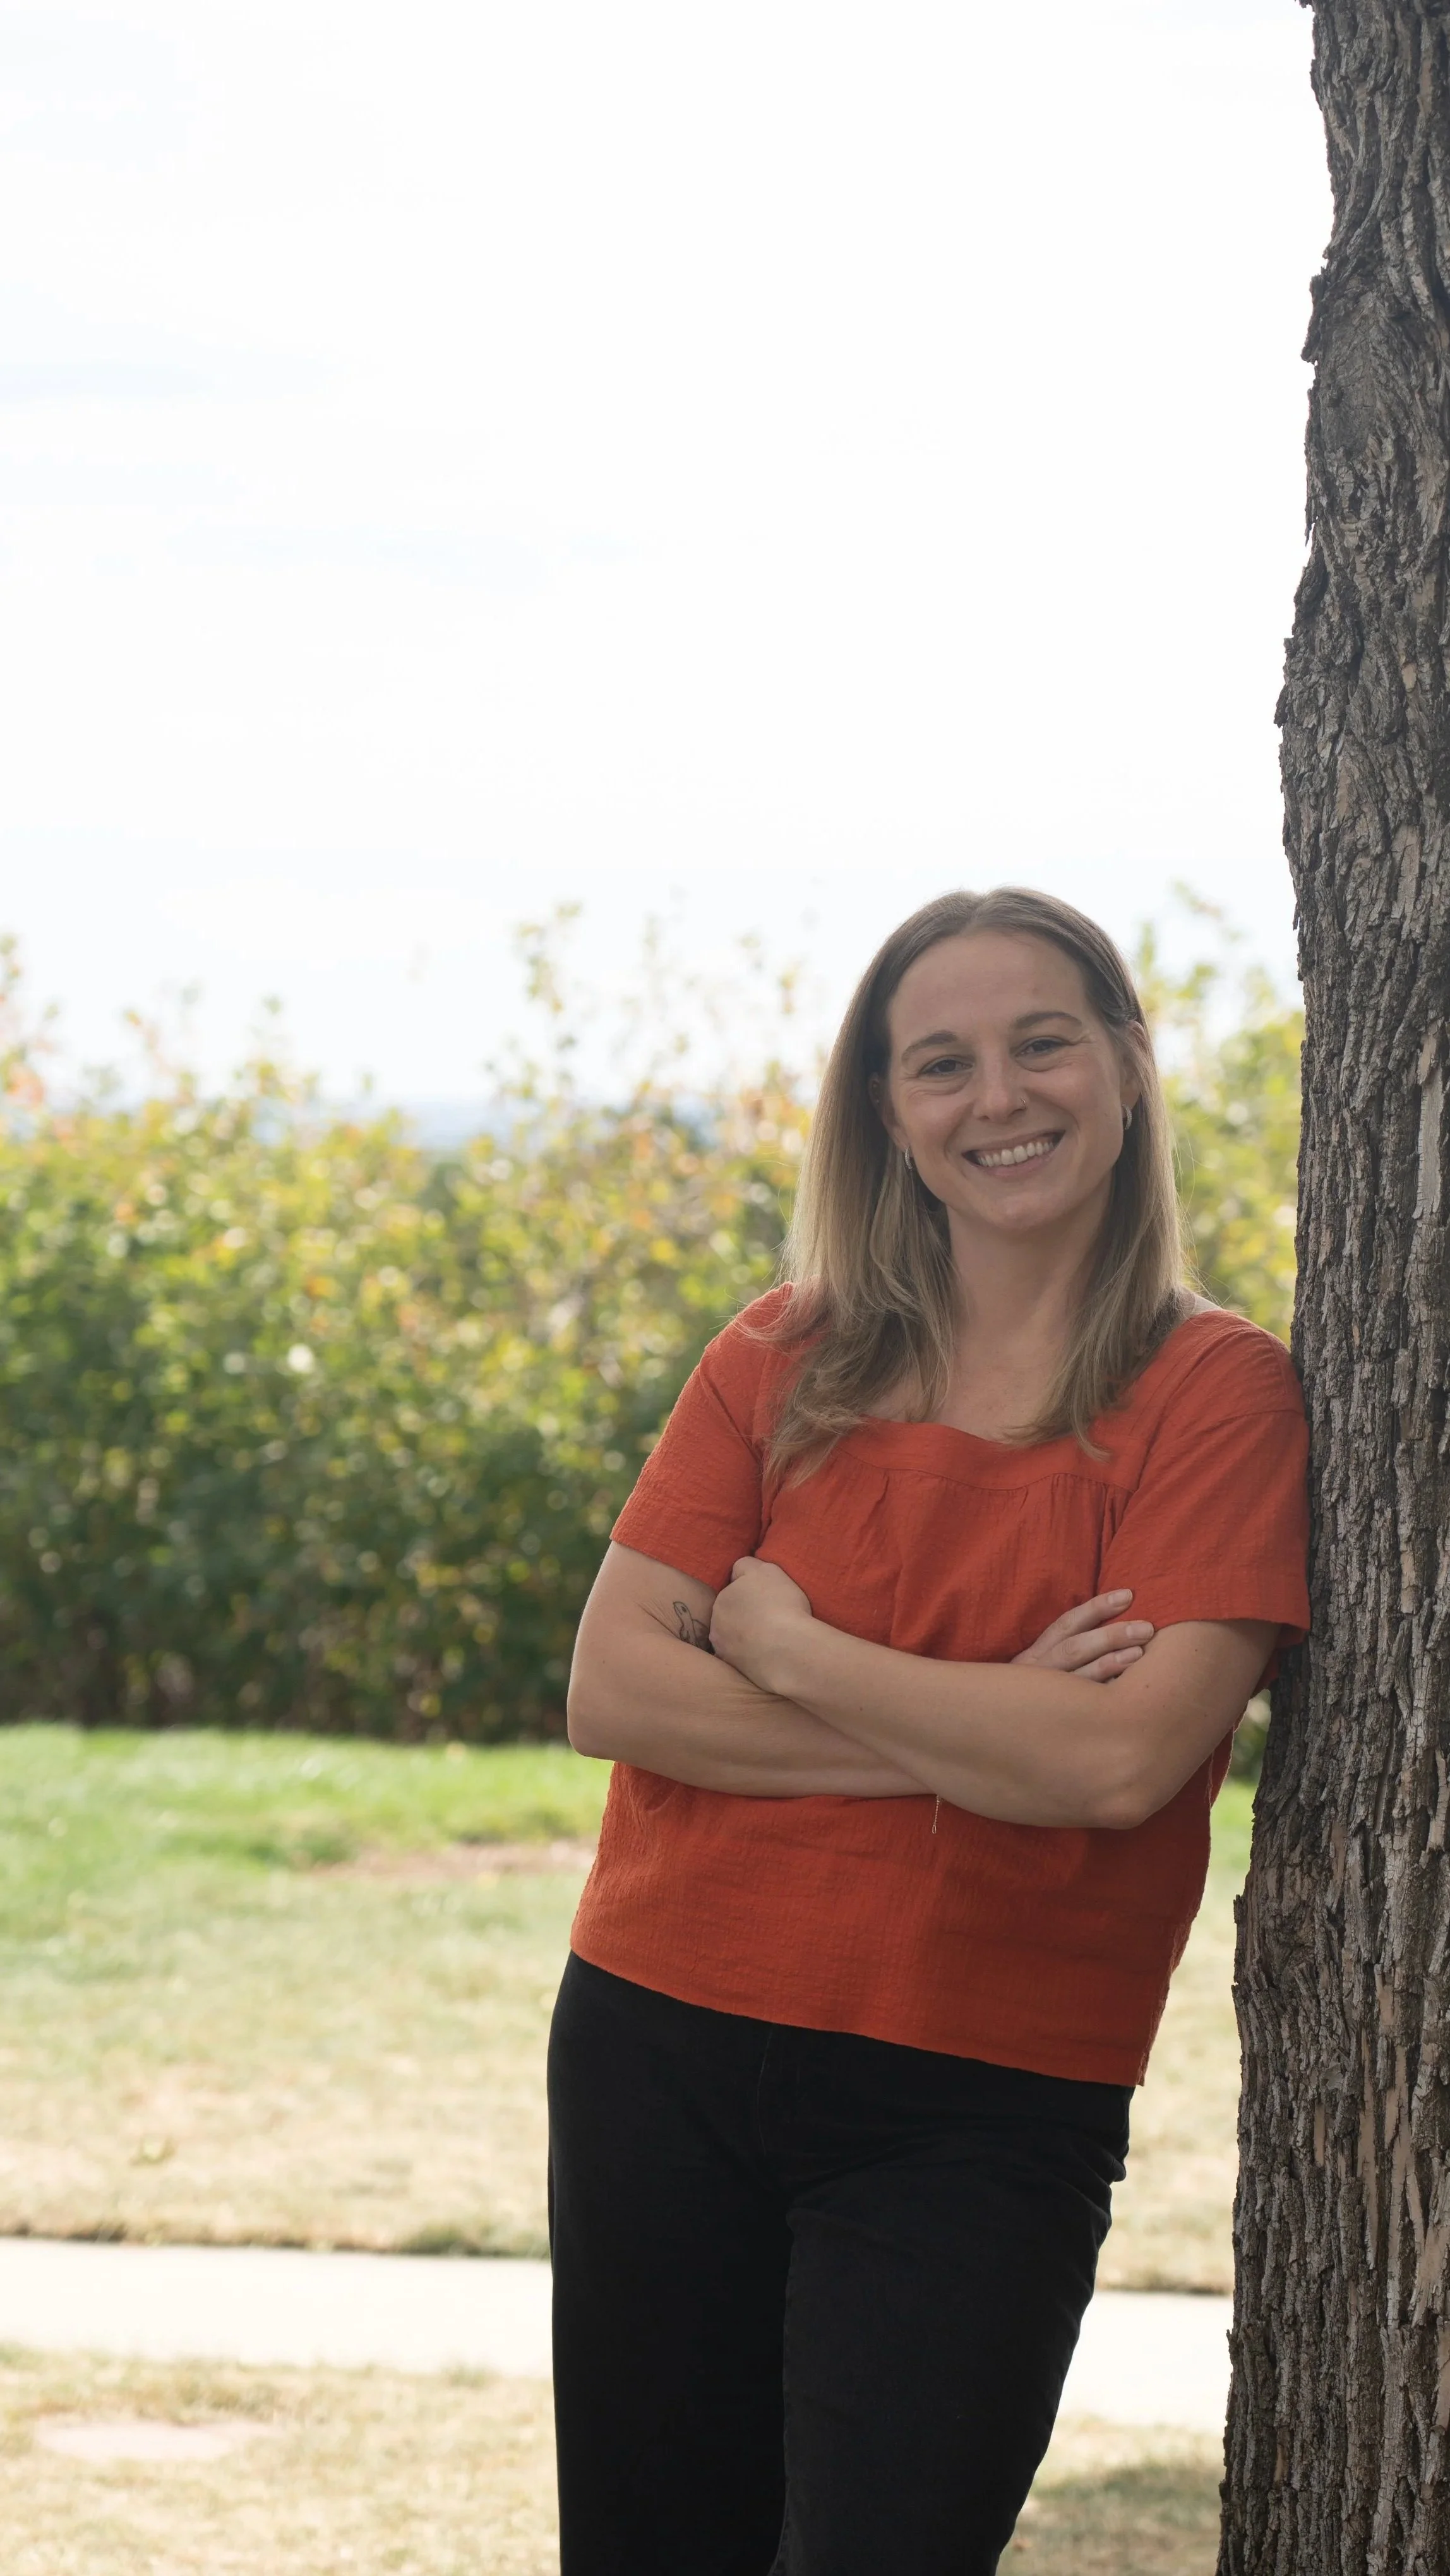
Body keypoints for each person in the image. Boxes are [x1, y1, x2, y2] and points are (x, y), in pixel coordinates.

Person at [549, 887, 1309, 2576]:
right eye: (941, 1063)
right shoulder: (780, 1352)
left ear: (1125, 1061)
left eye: (1044, 1043)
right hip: (658, 2039)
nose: (1001, 1098)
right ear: (886, 1116)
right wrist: (982, 1729)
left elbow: (1120, 1765)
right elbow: (615, 1689)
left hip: (983, 2091)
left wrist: (794, 1651)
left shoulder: (1219, 1394)